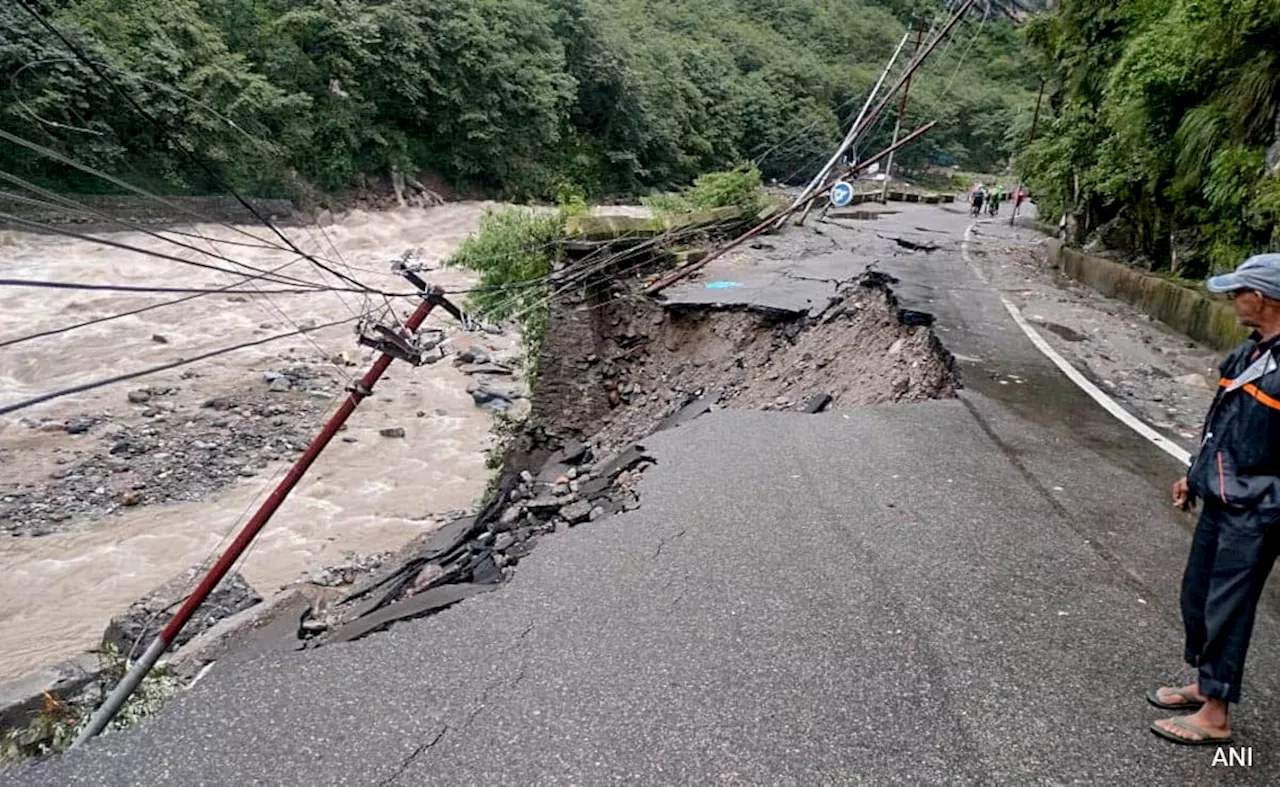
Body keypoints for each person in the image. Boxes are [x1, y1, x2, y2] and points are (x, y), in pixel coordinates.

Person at [1152, 253, 1280, 746]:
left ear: (1262, 297)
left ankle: (1216, 715)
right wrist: (1195, 475)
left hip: (1256, 508)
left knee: (1228, 606)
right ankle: (1206, 685)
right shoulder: (1250, 355)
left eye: (1238, 292)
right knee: (1199, 597)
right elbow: (1221, 425)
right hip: (1222, 494)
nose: (1232, 300)